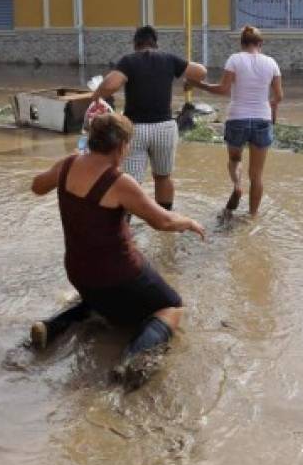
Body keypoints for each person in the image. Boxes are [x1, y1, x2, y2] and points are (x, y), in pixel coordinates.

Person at [29, 112, 205, 383]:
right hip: (119, 274)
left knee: (96, 300)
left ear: (91, 139)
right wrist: (189, 221)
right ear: (122, 146)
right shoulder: (119, 182)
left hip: (77, 270)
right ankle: (130, 360)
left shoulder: (68, 164)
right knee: (171, 307)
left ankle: (51, 327)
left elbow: (37, 186)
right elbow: (162, 221)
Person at [91, 25, 207, 211]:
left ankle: (125, 224)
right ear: (156, 43)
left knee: (131, 181)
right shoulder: (169, 59)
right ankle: (164, 218)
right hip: (165, 128)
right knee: (163, 176)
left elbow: (110, 85)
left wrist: (96, 95)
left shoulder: (129, 61)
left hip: (134, 129)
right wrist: (189, 81)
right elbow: (201, 72)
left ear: (136, 44)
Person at [188, 25, 283, 217]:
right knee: (257, 176)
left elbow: (223, 89)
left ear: (242, 43)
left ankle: (238, 186)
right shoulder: (272, 63)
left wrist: (198, 84)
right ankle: (252, 216)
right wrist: (271, 108)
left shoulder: (235, 59)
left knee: (234, 159)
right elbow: (279, 96)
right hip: (262, 120)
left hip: (237, 117)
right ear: (260, 44)